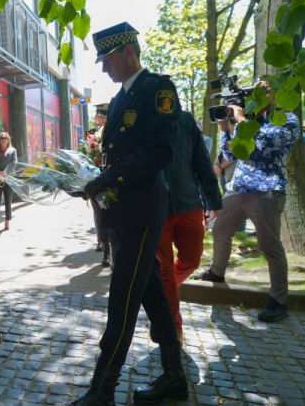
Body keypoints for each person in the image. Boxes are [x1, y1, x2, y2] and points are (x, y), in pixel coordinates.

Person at [67, 22, 187, 406]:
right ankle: (174, 377)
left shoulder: (157, 88)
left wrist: (108, 179)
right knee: (149, 288)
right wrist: (92, 179)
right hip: (123, 211)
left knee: (122, 297)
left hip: (142, 210)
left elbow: (160, 151)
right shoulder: (119, 99)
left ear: (128, 51)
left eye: (107, 59)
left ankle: (102, 389)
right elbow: (115, 155)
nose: (103, 68)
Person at [195, 80, 300, 322]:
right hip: (239, 188)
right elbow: (231, 153)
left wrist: (241, 120)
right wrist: (227, 127)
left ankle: (278, 300)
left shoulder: (285, 120)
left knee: (269, 245)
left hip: (266, 190)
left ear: (273, 93)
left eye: (265, 90)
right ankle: (217, 272)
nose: (260, 94)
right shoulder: (246, 121)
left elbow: (264, 144)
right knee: (220, 229)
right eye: (255, 90)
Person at [157, 111, 223, 342]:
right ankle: (173, 327)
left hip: (189, 203)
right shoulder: (140, 117)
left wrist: (213, 200)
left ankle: (161, 294)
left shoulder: (185, 121)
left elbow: (201, 162)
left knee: (192, 261)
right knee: (163, 269)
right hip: (156, 209)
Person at [89, 104, 114, 267]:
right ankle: (105, 250)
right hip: (97, 182)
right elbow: (88, 158)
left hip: (112, 181)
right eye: (100, 117)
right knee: (100, 217)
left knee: (112, 219)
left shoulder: (116, 132)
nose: (102, 119)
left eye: (104, 116)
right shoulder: (92, 136)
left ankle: (113, 252)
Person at [0, 132, 17, 232]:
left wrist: (5, 172)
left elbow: (14, 163)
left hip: (8, 179)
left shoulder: (13, 151)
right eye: (1, 138)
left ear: (8, 140)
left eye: (5, 138)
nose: (3, 140)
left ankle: (7, 221)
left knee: (8, 201)